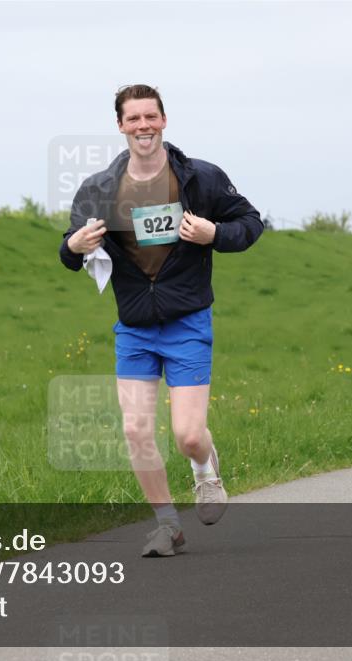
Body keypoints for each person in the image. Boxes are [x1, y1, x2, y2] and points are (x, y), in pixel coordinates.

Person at [58, 84, 264, 557]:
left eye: (150, 116)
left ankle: (204, 469)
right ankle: (167, 525)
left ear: (164, 120)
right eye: (133, 118)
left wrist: (214, 233)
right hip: (134, 327)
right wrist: (74, 245)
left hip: (187, 322)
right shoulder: (99, 189)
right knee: (135, 431)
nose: (143, 126)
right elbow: (69, 251)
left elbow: (250, 224)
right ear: (120, 126)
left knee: (188, 435)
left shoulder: (200, 178)